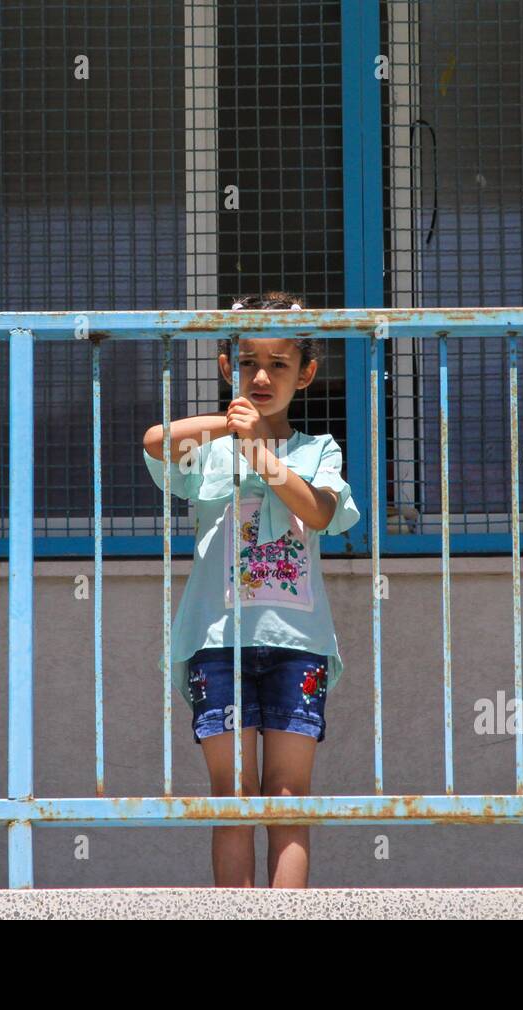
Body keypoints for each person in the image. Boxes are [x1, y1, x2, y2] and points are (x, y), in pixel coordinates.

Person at [141, 290, 361, 888]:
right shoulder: (210, 451)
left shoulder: (317, 450)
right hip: (218, 643)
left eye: (280, 363)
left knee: (287, 794)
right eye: (247, 363)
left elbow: (319, 512)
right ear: (226, 368)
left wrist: (263, 454)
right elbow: (156, 441)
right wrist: (230, 425)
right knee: (232, 793)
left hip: (297, 642)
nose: (262, 375)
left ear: (306, 373)